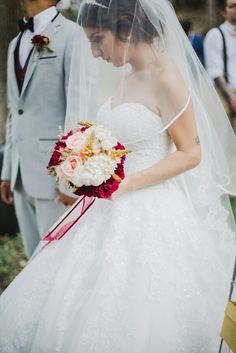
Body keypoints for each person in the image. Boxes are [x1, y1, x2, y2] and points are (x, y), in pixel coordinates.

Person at [0, 0, 236, 352]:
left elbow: (191, 153)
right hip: (106, 201)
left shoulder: (168, 78)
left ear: (126, 29)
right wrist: (85, 160)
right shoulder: (126, 78)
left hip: (149, 205)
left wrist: (128, 183)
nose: (94, 52)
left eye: (98, 39)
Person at [0, 0, 77, 258]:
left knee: (56, 260)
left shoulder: (71, 36)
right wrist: (8, 170)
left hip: (54, 176)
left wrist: (70, 176)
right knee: (34, 262)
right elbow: (15, 110)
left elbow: (78, 108)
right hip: (21, 175)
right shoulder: (14, 44)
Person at [204, 0, 236, 132]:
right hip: (223, 93)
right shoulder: (215, 34)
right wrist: (232, 97)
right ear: (223, 12)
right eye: (232, 6)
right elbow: (215, 71)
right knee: (226, 137)